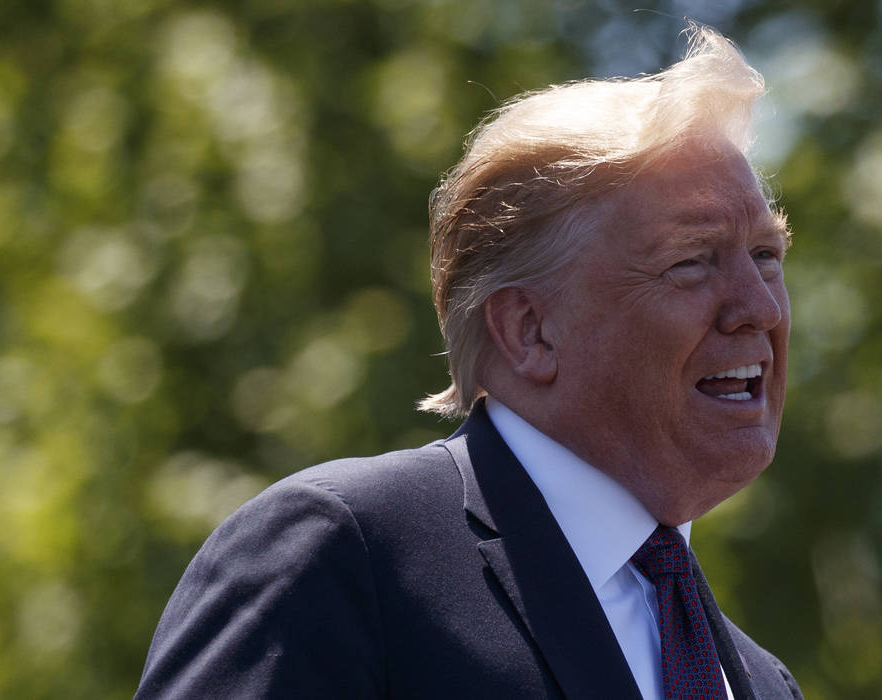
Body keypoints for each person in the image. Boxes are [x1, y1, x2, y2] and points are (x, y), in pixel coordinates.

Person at [135, 25, 803, 699]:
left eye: (766, 257)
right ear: (529, 330)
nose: (761, 308)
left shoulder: (761, 682)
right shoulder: (343, 557)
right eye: (692, 262)